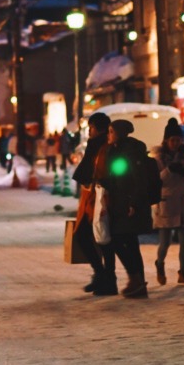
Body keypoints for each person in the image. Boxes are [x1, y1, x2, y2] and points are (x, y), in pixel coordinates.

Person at [100, 118, 158, 299]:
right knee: (131, 244)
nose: (108, 135)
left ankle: (136, 280)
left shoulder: (130, 151)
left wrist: (133, 203)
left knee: (117, 240)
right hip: (120, 203)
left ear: (119, 133)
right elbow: (117, 176)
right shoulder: (117, 150)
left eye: (111, 131)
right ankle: (138, 285)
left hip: (128, 205)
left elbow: (137, 180)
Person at [71, 112, 116, 295]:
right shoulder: (99, 145)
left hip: (98, 199)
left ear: (98, 129)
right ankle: (102, 275)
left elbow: (93, 173)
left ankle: (106, 278)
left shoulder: (101, 147)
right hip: (91, 200)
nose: (89, 132)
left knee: (102, 239)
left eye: (91, 128)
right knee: (93, 237)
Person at [152, 118, 184, 286]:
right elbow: (157, 181)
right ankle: (160, 263)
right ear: (166, 141)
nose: (175, 143)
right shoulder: (159, 158)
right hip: (166, 202)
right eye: (172, 140)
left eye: (178, 140)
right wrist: (169, 171)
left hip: (183, 202)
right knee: (165, 242)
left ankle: (183, 272)